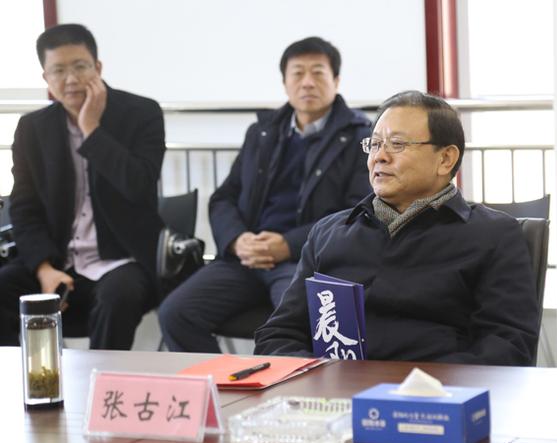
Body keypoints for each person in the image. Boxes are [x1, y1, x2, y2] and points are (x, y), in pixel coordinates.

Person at [254, 90, 540, 366]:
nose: (380, 156)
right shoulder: (329, 233)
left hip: (433, 394)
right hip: (334, 391)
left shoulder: (493, 235)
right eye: (375, 144)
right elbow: (279, 334)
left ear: (445, 159)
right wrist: (318, 377)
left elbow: (509, 345)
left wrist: (418, 386)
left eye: (397, 144)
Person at [159, 36, 371, 352]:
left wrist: (288, 245)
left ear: (336, 80)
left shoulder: (359, 137)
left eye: (318, 72)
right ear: (285, 83)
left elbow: (356, 212)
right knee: (176, 313)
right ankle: (219, 382)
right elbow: (224, 198)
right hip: (246, 258)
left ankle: (287, 386)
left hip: (307, 261)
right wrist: (237, 240)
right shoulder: (262, 132)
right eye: (297, 73)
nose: (307, 82)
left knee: (297, 326)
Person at [0, 24, 166, 349]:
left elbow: (138, 186)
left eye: (80, 66)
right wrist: (44, 268)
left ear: (98, 68)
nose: (71, 79)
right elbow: (23, 207)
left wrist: (92, 130)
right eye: (58, 71)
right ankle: (16, 376)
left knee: (119, 296)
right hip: (56, 260)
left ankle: (101, 382)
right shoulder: (32, 128)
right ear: (46, 78)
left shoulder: (142, 113)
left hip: (122, 259)